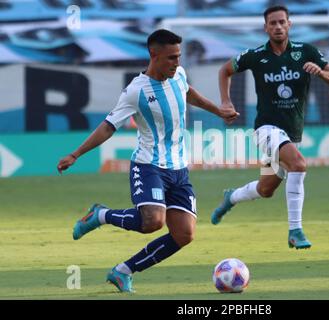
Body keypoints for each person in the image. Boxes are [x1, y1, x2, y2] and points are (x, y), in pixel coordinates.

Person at [56, 29, 238, 293]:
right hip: (149, 165)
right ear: (154, 54)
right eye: (171, 58)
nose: (177, 62)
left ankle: (123, 271)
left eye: (179, 56)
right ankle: (100, 215)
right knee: (152, 221)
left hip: (179, 168)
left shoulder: (180, 74)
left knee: (184, 235)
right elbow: (108, 126)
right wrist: (76, 154)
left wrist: (218, 111)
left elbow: (188, 93)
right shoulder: (135, 91)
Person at [210, 5, 329, 250]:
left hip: (292, 134)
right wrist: (226, 101)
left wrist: (321, 74)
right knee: (299, 164)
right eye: (273, 23)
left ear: (289, 24)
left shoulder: (307, 52)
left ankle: (231, 197)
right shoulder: (256, 55)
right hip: (266, 130)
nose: (278, 27)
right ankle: (295, 230)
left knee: (266, 189)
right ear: (266, 28)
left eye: (282, 22)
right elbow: (225, 70)